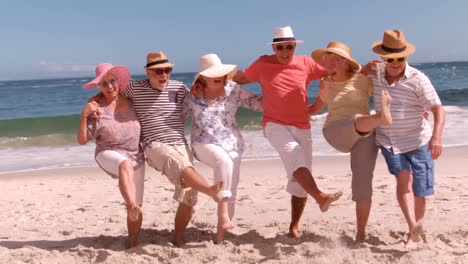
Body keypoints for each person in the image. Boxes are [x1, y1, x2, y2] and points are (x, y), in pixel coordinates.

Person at [233, 26, 342, 238]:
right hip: (274, 125)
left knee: (301, 181)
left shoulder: (305, 63)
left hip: (302, 125)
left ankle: (294, 226)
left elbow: (334, 73)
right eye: (280, 47)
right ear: (274, 47)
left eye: (289, 46)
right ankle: (320, 197)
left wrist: (363, 72)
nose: (285, 51)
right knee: (294, 155)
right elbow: (240, 79)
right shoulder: (262, 64)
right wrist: (216, 76)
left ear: (294, 46)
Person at [118, 52, 223, 247]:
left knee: (190, 192)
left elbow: (194, 103)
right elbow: (112, 97)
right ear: (148, 72)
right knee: (180, 165)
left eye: (168, 70)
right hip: (154, 144)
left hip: (179, 142)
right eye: (159, 71)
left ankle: (178, 238)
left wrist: (200, 88)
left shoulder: (179, 87)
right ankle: (211, 190)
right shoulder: (135, 88)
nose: (164, 75)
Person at [368, 29, 445, 249]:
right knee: (404, 180)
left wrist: (437, 138)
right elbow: (350, 72)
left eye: (400, 58)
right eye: (390, 58)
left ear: (406, 56)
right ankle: (413, 229)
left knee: (420, 189)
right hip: (390, 142)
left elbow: (438, 109)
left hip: (418, 141)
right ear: (383, 58)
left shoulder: (418, 79)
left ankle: (416, 227)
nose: (395, 63)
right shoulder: (375, 74)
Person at [307, 41, 392, 242]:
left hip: (364, 132)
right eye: (326, 58)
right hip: (336, 131)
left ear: (346, 63)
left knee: (363, 182)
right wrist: (287, 114)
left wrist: (378, 68)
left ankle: (361, 233)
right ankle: (380, 118)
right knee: (359, 120)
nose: (329, 62)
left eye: (335, 58)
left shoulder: (362, 79)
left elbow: (389, 88)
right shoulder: (324, 83)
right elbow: (314, 108)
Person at [183, 53, 263, 243]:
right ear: (203, 78)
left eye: (220, 73)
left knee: (231, 187)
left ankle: (221, 233)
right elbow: (176, 118)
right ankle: (223, 215)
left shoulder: (233, 89)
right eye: (213, 74)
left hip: (232, 143)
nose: (219, 77)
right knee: (223, 161)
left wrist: (281, 93)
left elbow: (259, 104)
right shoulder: (193, 96)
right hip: (203, 143)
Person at [77, 63, 144, 248]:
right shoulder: (96, 109)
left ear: (118, 81)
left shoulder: (131, 101)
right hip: (107, 152)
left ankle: (132, 243)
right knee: (125, 165)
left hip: (136, 155)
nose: (109, 87)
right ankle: (130, 206)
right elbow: (82, 140)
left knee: (138, 205)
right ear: (99, 87)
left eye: (112, 81)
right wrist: (84, 115)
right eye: (104, 84)